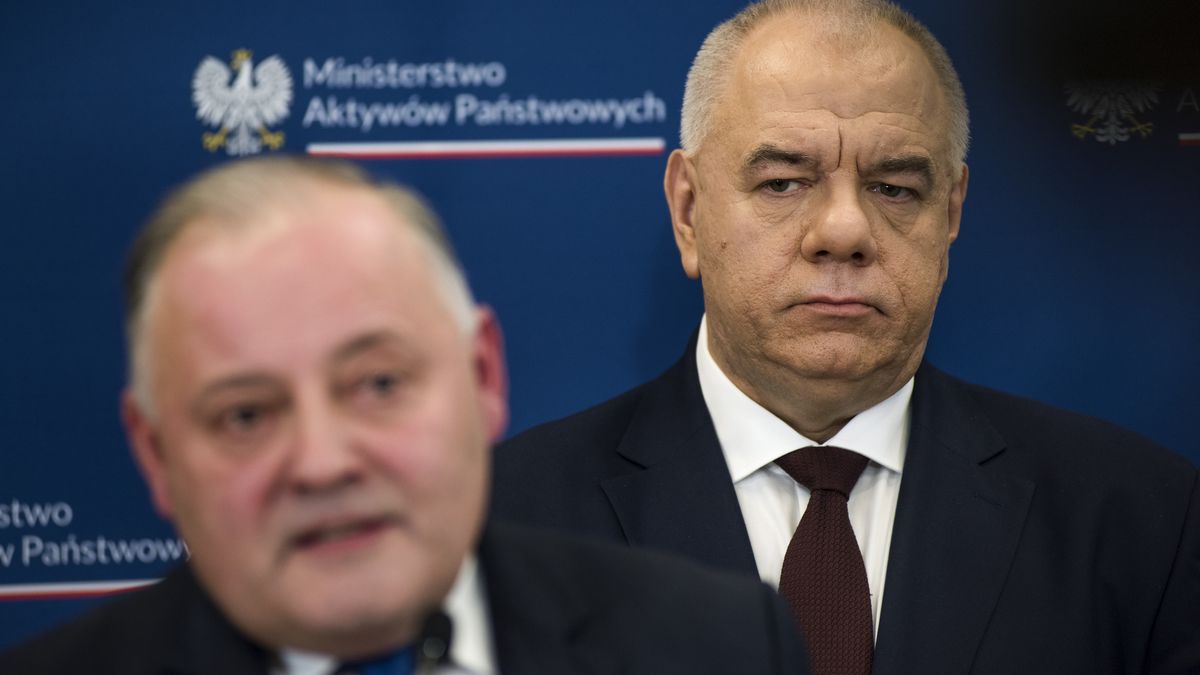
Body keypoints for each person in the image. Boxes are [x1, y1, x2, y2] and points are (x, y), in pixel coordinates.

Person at [492, 0, 1200, 673]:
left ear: (950, 214)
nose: (844, 232)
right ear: (688, 210)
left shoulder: (1142, 523)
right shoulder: (506, 524)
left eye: (894, 188)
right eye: (782, 183)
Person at [0, 157, 809, 675]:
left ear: (482, 375)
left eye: (378, 384)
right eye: (245, 414)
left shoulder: (720, 646)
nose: (323, 462)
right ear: (156, 455)